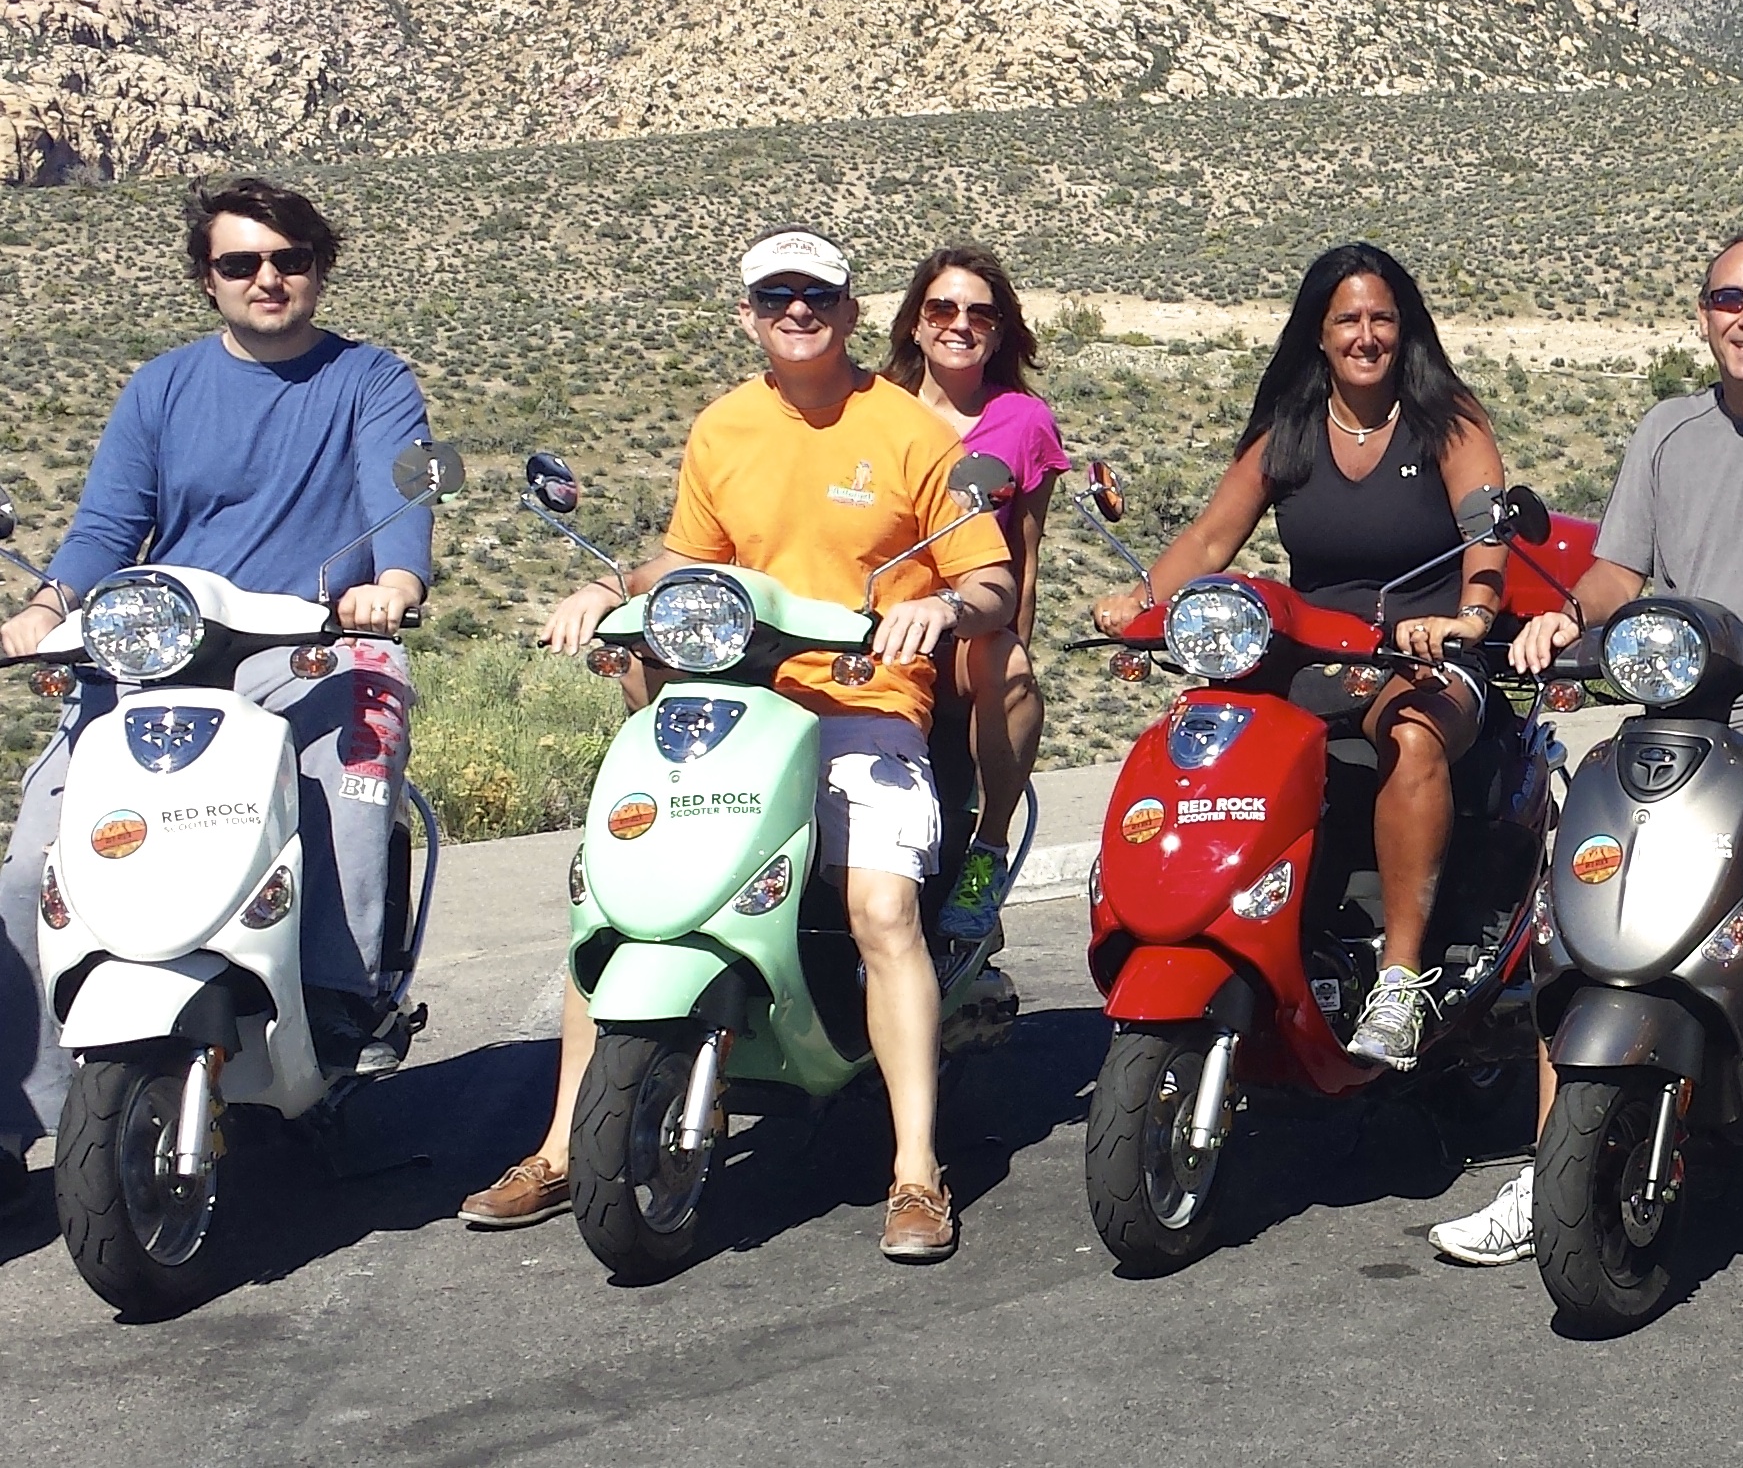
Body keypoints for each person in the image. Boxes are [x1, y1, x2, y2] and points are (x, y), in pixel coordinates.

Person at [458, 226, 1016, 1260]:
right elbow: (687, 560)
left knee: (881, 905)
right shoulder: (724, 428)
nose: (795, 311)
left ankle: (914, 1170)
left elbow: (988, 579)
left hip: (863, 697)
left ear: (852, 312)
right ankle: (561, 1147)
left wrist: (938, 612)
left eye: (816, 293)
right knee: (618, 897)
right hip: (736, 695)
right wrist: (607, 587)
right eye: (774, 297)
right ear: (748, 315)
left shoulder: (907, 431)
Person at [1430, 231, 1743, 1271]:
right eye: (1729, 297)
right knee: (1572, 927)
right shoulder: (1667, 431)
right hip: (1683, 724)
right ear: (1702, 313)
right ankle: (1548, 1166)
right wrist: (1565, 620)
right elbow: (1619, 568)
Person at [0, 177, 433, 1211]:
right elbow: (110, 525)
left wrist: (393, 585)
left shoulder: (371, 379)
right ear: (210, 278)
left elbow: (400, 492)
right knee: (31, 859)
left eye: (288, 258)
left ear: (318, 266)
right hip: (160, 645)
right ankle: (15, 1112)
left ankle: (338, 1005)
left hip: (310, 638)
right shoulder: (161, 387)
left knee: (350, 787)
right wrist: (49, 604)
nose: (267, 278)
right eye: (241, 262)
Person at [1090, 243, 1507, 1071]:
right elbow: (1213, 536)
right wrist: (1141, 602)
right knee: (1216, 737)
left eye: (1381, 317)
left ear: (1405, 327)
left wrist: (1471, 614)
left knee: (1413, 734)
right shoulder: (1289, 428)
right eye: (1346, 318)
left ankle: (1400, 977)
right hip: (1311, 646)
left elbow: (1485, 533)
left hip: (1422, 651)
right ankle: (1235, 925)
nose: (1365, 334)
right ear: (1317, 334)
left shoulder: (1447, 418)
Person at [881, 246, 1070, 942]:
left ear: (1000, 328)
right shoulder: (875, 408)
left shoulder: (1024, 422)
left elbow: (1025, 549)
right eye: (941, 308)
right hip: (870, 626)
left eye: (979, 313)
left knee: (1013, 676)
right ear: (915, 323)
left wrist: (1008, 639)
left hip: (964, 627)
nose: (959, 324)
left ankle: (986, 853)